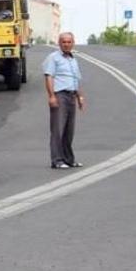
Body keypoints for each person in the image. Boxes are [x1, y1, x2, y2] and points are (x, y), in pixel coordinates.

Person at [42, 32, 85, 169]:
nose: (66, 44)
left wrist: (80, 97)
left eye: (69, 42)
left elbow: (76, 79)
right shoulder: (53, 58)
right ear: (59, 43)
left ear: (73, 43)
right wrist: (52, 96)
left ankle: (69, 159)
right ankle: (57, 160)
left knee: (69, 130)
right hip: (60, 95)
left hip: (71, 96)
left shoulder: (73, 60)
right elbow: (49, 77)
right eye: (64, 42)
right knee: (58, 129)